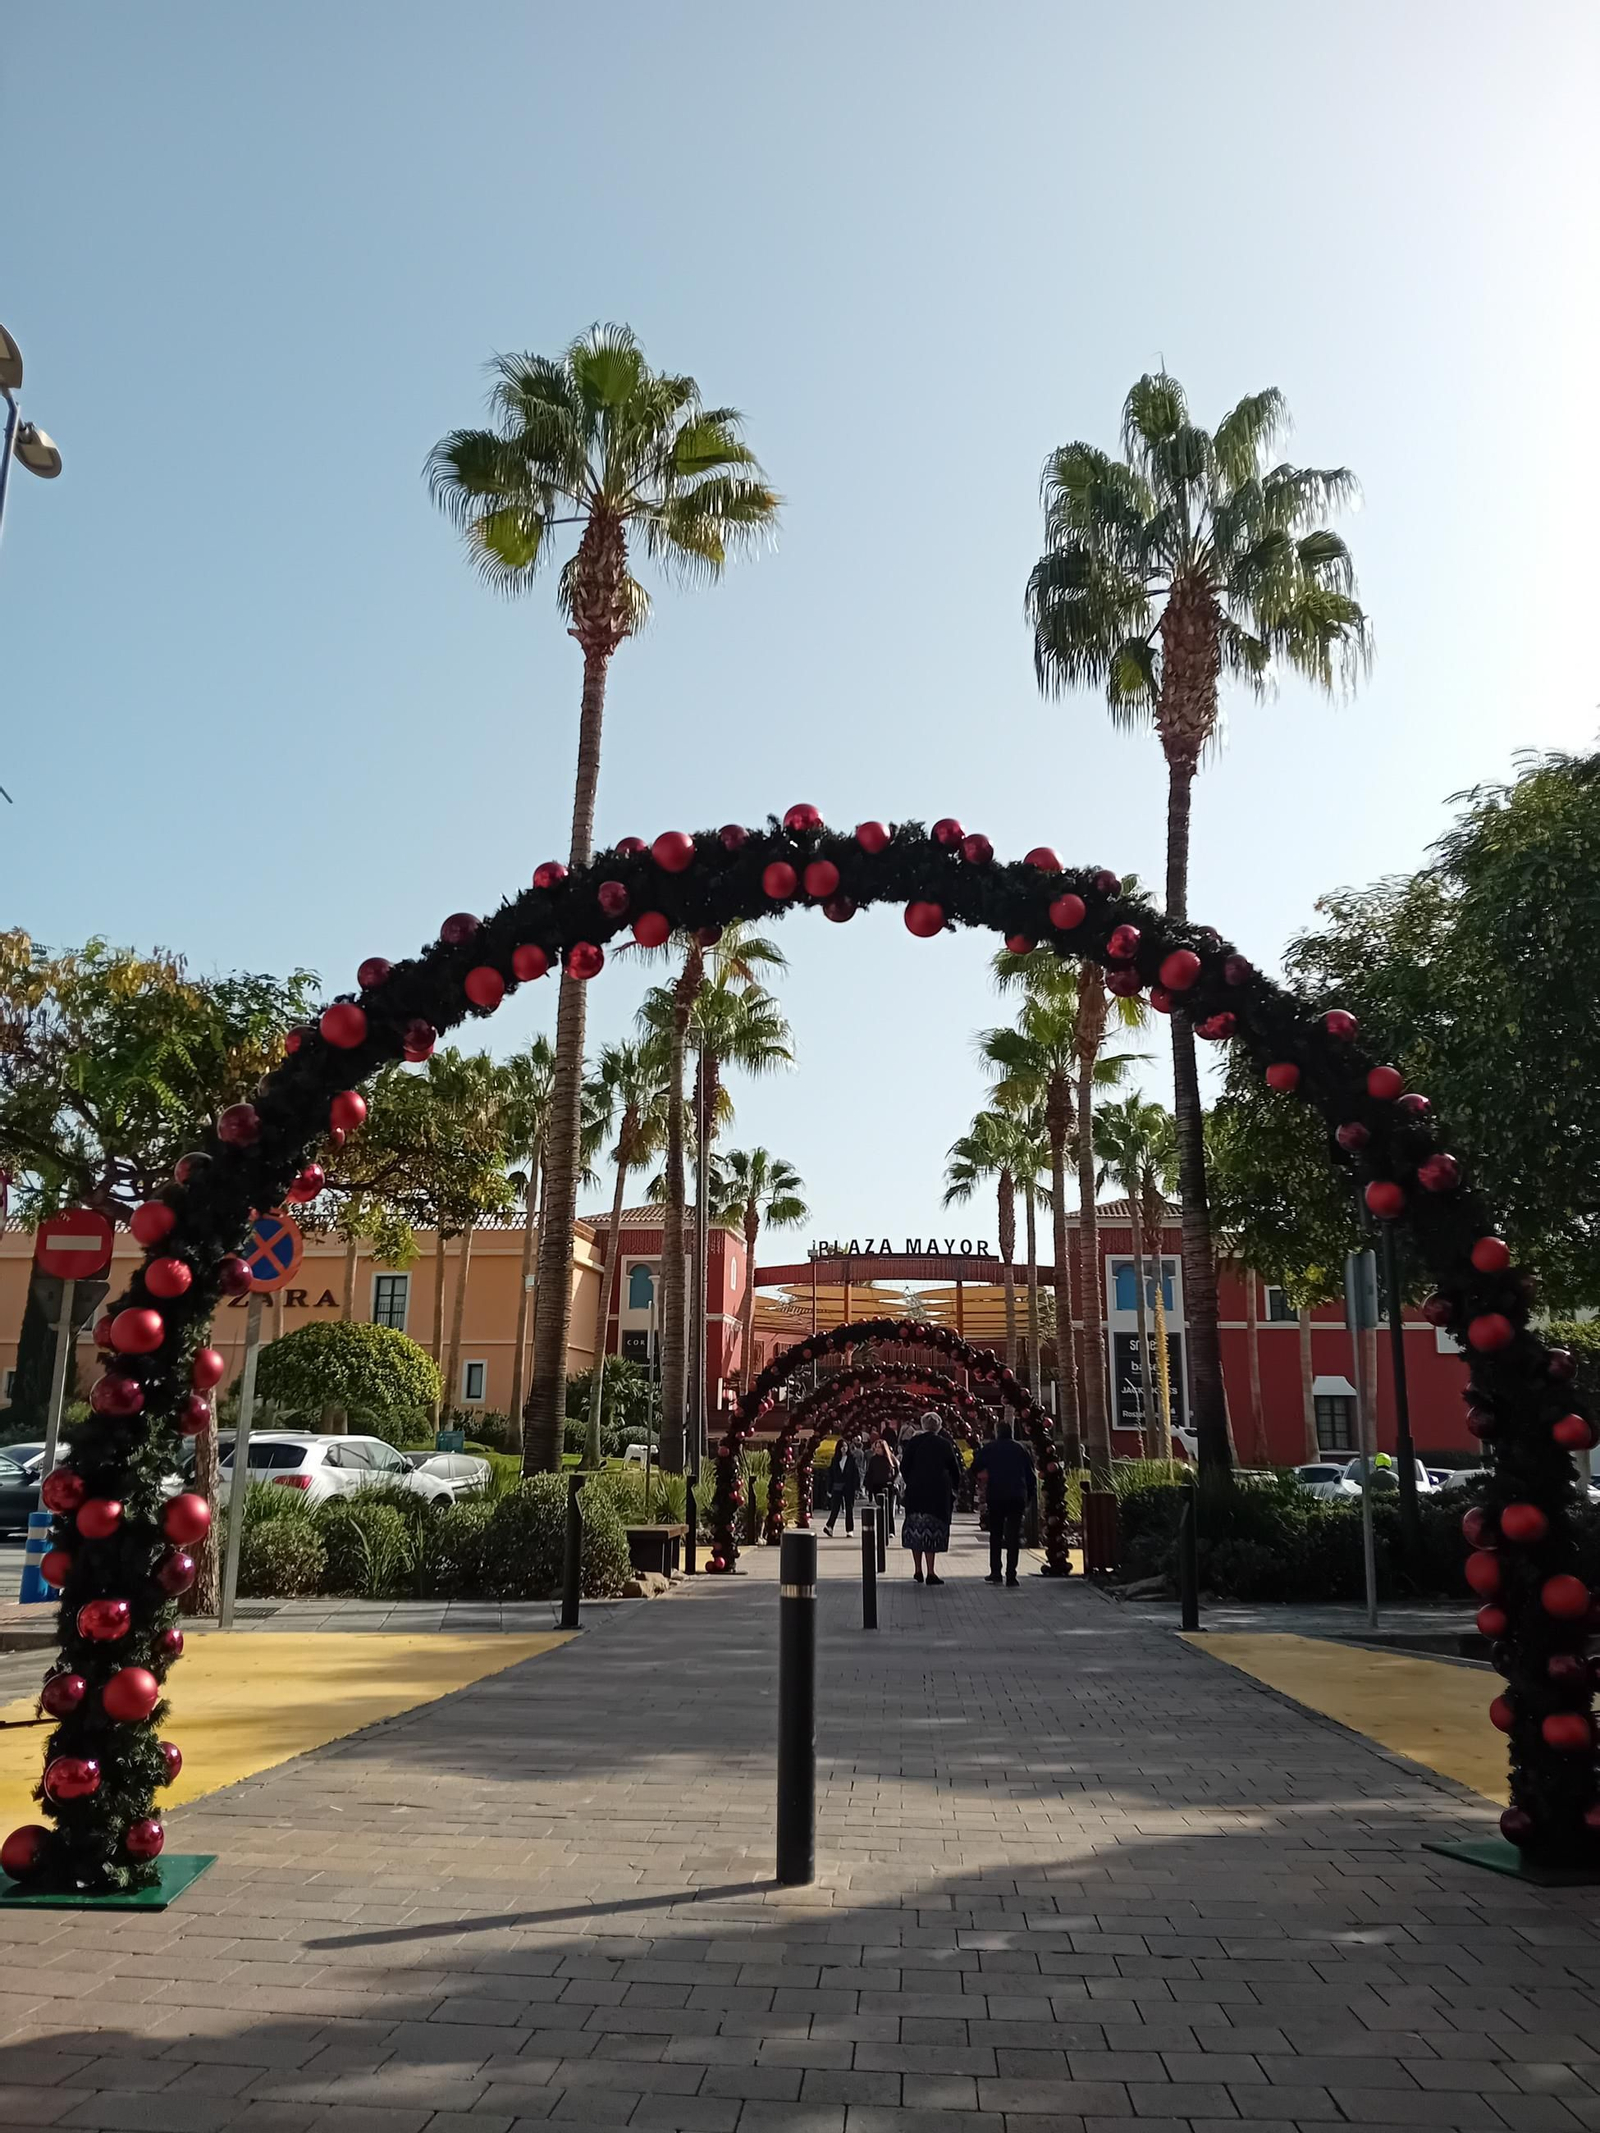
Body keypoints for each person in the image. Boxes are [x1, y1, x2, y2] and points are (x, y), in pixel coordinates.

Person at [899, 1411, 964, 1586]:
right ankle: (931, 1571)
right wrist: (954, 1487)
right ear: (939, 1426)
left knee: (915, 1530)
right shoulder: (944, 1444)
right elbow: (955, 1469)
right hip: (937, 1494)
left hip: (916, 1493)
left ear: (923, 1425)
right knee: (931, 1532)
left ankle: (917, 1569)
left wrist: (911, 1481)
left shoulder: (913, 1442)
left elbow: (904, 1466)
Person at [972, 1418, 1036, 1587]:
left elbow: (975, 1467)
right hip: (1017, 1496)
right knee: (1013, 1536)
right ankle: (1011, 1575)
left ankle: (996, 1572)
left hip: (996, 1495)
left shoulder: (990, 1448)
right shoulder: (1021, 1449)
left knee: (996, 1534)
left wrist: (983, 1476)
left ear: (997, 1432)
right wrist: (1029, 1496)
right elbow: (1030, 1475)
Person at [822, 1431, 861, 1535]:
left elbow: (856, 1474)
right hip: (837, 1486)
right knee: (835, 1508)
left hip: (849, 1486)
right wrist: (829, 1489)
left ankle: (849, 1530)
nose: (844, 1448)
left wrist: (857, 1488)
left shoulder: (851, 1459)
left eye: (845, 1446)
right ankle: (829, 1527)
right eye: (842, 1446)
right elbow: (831, 1475)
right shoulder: (835, 1460)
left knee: (849, 1508)